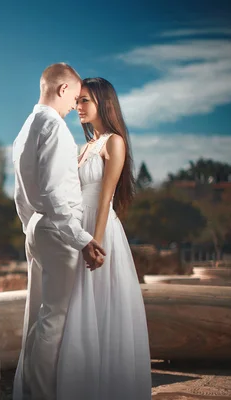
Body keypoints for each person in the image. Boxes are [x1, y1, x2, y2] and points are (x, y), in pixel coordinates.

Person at [12, 63, 106, 400]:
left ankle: (29, 391)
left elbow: (21, 193)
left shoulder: (26, 127)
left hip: (37, 227)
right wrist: (82, 240)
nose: (74, 107)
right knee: (54, 318)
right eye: (75, 98)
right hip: (57, 230)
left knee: (40, 315)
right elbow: (55, 193)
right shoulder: (54, 127)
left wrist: (31, 227)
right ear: (63, 89)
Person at [55, 77, 152, 399]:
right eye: (77, 100)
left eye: (85, 101)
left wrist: (94, 243)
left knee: (98, 303)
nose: (78, 106)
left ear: (104, 104)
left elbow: (106, 196)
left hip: (99, 229)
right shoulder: (84, 147)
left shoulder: (114, 142)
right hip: (79, 230)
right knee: (77, 305)